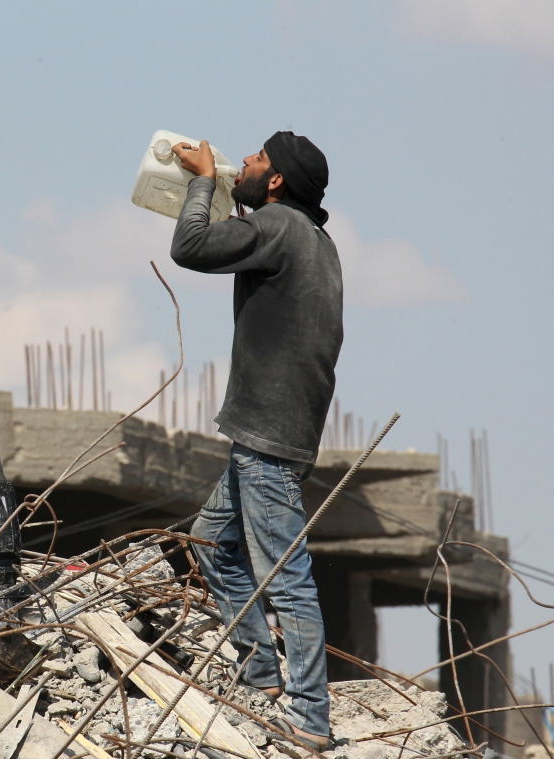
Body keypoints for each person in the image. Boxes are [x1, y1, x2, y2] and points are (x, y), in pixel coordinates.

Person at [170, 132, 343, 749]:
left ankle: (309, 717)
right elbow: (241, 237)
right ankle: (262, 675)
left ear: (276, 183)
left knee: (285, 575)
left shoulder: (281, 228)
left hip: (268, 436)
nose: (242, 160)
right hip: (271, 431)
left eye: (257, 158)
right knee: (212, 542)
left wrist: (200, 182)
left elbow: (190, 246)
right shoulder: (310, 239)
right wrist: (220, 187)